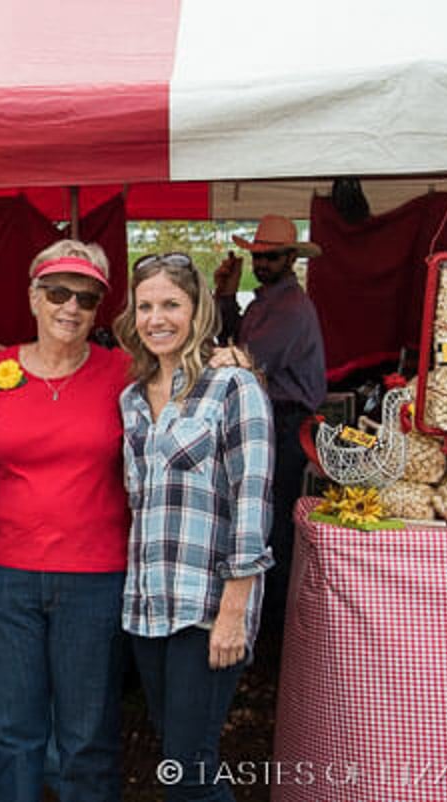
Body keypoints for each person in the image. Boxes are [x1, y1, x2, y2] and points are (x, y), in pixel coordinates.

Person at [0, 240, 132, 801]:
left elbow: (186, 375)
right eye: (58, 292)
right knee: (13, 731)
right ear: (33, 297)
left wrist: (232, 359)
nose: (71, 307)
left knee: (86, 736)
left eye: (86, 299)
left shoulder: (123, 372)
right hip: (5, 575)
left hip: (94, 575)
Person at [113, 253, 274, 801]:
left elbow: (252, 502)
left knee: (190, 771)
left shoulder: (233, 387)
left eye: (171, 305)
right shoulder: (131, 401)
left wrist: (233, 614)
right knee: (180, 757)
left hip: (207, 609)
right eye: (146, 306)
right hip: (148, 607)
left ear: (198, 309)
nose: (158, 318)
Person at [214, 215, 325, 649]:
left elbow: (245, 359)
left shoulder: (291, 308)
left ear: (292, 258)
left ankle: (272, 637)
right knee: (259, 520)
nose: (262, 263)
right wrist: (225, 292)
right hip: (269, 417)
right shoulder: (267, 301)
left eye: (271, 256)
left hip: (283, 422)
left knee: (272, 526)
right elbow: (230, 338)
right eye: (257, 255)